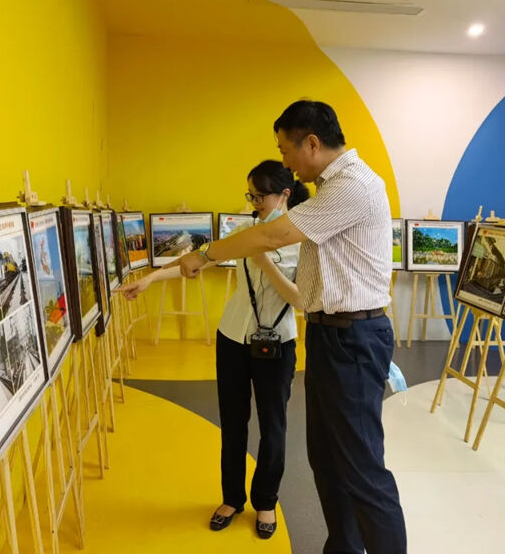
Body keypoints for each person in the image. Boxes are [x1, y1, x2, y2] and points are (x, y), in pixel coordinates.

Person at [175, 100, 408, 554]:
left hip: (353, 338)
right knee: (327, 458)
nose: (285, 162)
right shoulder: (329, 188)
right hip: (329, 333)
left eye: (286, 150)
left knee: (360, 468)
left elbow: (273, 235)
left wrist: (203, 254)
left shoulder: (353, 186)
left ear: (312, 143)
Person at [119, 160, 309, 539]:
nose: (254, 204)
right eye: (250, 196)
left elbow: (301, 299)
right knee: (233, 422)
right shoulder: (245, 232)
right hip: (233, 338)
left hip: (278, 343)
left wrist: (264, 259)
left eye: (260, 196)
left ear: (284, 195)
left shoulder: (303, 239)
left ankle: (266, 501)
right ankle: (232, 498)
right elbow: (200, 259)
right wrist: (152, 278)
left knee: (273, 427)